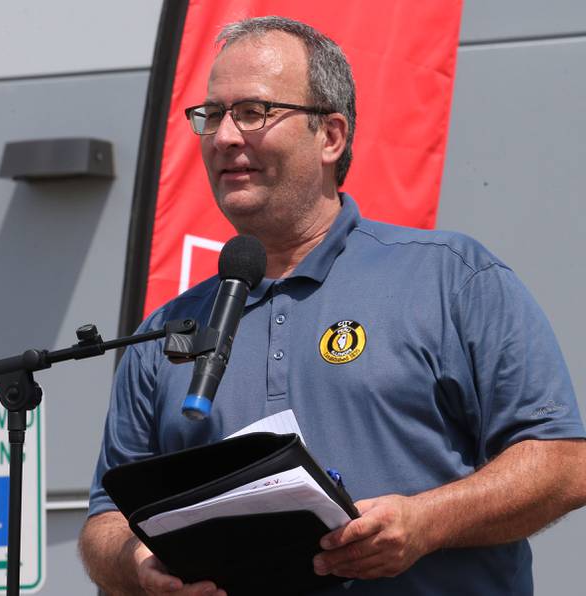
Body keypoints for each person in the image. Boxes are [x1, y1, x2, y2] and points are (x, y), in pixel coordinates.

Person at [79, 15, 586, 596]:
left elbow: (563, 464)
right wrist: (138, 568)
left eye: (253, 112)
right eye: (212, 115)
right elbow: (104, 521)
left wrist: (425, 522)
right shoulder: (166, 330)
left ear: (331, 136)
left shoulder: (452, 278)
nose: (223, 137)